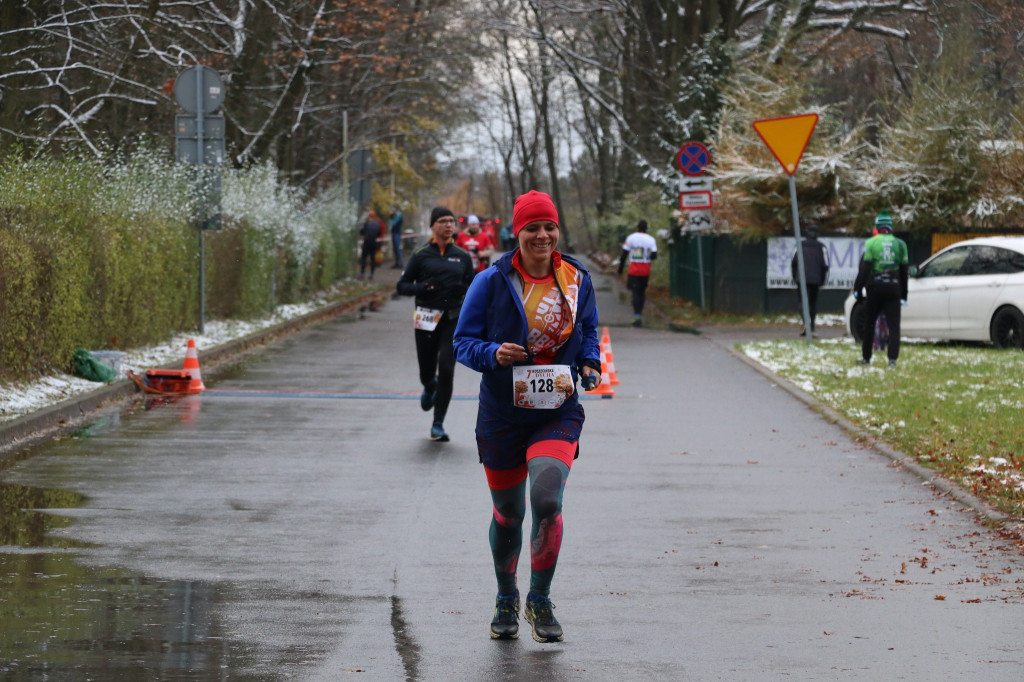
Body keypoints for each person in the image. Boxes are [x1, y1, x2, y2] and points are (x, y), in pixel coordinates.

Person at [453, 189, 602, 644]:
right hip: (501, 412)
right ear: (517, 232)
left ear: (558, 230)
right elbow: (463, 342)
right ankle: (505, 596)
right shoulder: (491, 281)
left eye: (549, 226)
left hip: (556, 409)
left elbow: (589, 329)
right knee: (508, 513)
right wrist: (494, 352)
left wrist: (590, 362)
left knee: (547, 497)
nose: (542, 235)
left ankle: (539, 598)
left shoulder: (576, 277)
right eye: (532, 227)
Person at [396, 207, 475, 441]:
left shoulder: (461, 255)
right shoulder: (421, 255)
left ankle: (438, 423)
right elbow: (402, 286)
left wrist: (466, 290)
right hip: (426, 317)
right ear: (433, 226)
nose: (448, 225)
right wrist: (422, 287)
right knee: (427, 373)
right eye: (442, 221)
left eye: (451, 221)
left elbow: (475, 286)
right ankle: (430, 386)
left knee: (447, 368)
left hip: (453, 319)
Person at [853, 210, 908, 369]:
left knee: (870, 322)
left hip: (875, 287)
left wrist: (858, 288)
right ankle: (892, 360)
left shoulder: (871, 243)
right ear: (891, 227)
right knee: (894, 325)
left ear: (878, 226)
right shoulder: (900, 244)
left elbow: (865, 268)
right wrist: (904, 294)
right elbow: (904, 271)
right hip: (893, 287)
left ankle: (866, 358)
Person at [790, 222, 830, 335]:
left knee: (802, 302)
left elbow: (793, 263)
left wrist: (795, 277)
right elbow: (826, 265)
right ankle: (811, 327)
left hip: (801, 279)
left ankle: (805, 323)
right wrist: (822, 280)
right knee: (813, 303)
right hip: (816, 279)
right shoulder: (822, 247)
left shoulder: (799, 245)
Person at [618, 219, 658, 327]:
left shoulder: (631, 238)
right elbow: (654, 255)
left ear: (637, 227)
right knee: (642, 292)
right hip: (645, 270)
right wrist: (646, 255)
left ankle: (637, 315)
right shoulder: (651, 240)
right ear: (646, 228)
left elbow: (624, 254)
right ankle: (639, 313)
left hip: (634, 269)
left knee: (635, 292)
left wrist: (620, 269)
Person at [358, 210, 384, 280]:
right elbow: (379, 233)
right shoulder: (377, 224)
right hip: (373, 243)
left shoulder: (367, 223)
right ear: (374, 216)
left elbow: (362, 232)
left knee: (364, 257)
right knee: (372, 259)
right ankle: (372, 274)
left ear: (369, 216)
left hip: (366, 242)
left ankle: (362, 273)